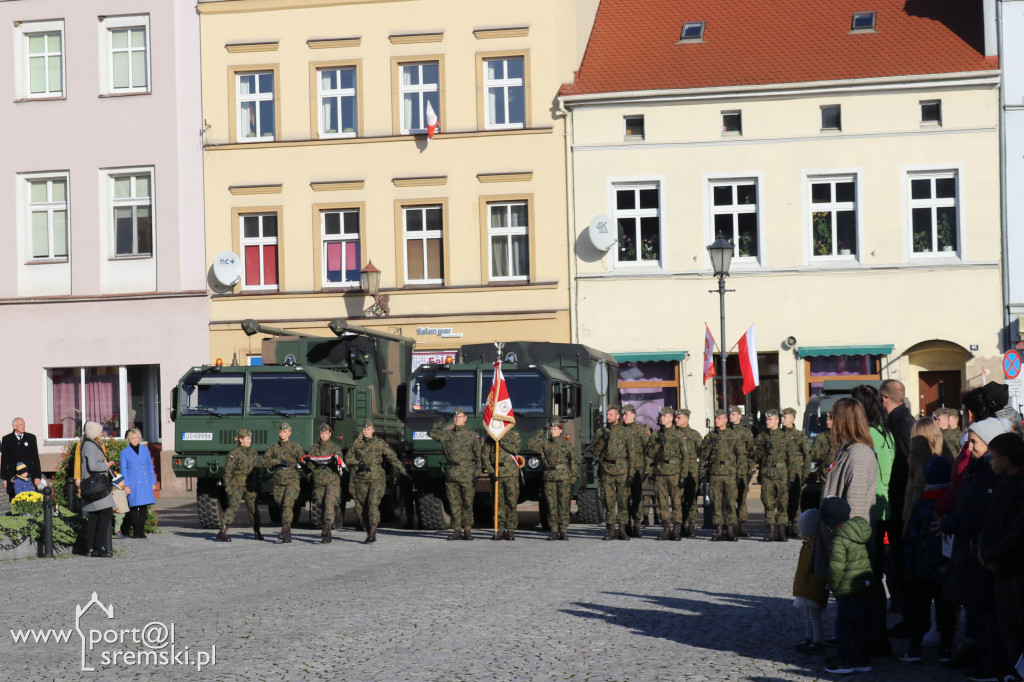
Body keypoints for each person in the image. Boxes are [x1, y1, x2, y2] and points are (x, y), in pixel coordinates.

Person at [937, 417, 1008, 681]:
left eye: (975, 441)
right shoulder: (977, 467)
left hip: (981, 546)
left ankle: (990, 663)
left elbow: (982, 512)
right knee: (974, 604)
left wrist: (951, 522)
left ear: (990, 443)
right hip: (968, 545)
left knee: (985, 608)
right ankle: (974, 653)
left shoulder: (991, 470)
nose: (969, 445)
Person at [812, 398, 878, 588]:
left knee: (852, 609)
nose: (827, 420)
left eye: (832, 416)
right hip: (838, 544)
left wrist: (843, 550)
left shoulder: (858, 454)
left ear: (843, 420)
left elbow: (855, 510)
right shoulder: (846, 450)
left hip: (849, 551)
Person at [851, 384, 895, 656]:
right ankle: (875, 634)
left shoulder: (869, 435)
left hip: (873, 510)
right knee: (875, 576)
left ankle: (875, 636)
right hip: (882, 508)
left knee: (870, 577)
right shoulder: (883, 431)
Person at [900, 456, 955, 664]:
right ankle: (946, 649)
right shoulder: (952, 501)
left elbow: (912, 538)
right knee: (946, 610)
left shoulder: (922, 504)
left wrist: (909, 565)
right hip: (946, 564)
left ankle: (914, 648)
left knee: (919, 609)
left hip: (923, 566)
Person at [978, 433, 1024, 681]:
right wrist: (983, 551)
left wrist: (990, 553)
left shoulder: (1019, 486)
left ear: (1005, 460)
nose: (989, 462)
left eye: (993, 457)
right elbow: (990, 520)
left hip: (1015, 565)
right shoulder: (1000, 483)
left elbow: (1017, 531)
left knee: (1018, 620)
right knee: (1007, 622)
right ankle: (1011, 666)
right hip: (998, 565)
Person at [822, 495, 874, 675]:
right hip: (863, 586)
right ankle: (862, 660)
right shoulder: (862, 530)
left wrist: (833, 586)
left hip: (846, 590)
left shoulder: (839, 539)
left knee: (843, 627)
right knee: (861, 625)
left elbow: (836, 568)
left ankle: (845, 661)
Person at [429, 408, 489, 541]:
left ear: (465, 418)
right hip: (451, 473)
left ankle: (467, 530)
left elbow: (478, 457)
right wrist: (443, 420)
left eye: (460, 417)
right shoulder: (447, 434)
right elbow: (431, 432)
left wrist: (477, 474)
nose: (457, 419)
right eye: (455, 417)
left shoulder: (471, 436)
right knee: (454, 503)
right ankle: (456, 530)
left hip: (467, 473)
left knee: (467, 503)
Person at [348, 420, 407, 544]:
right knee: (363, 508)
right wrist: (358, 463)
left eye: (368, 429)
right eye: (364, 430)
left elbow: (392, 457)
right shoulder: (357, 444)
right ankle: (369, 528)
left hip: (376, 479)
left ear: (373, 430)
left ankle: (372, 532)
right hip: (361, 479)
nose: (366, 432)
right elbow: (348, 458)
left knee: (373, 504)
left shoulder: (379, 444)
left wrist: (402, 470)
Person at [699, 408, 748, 541]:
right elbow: (703, 456)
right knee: (716, 504)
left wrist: (740, 475)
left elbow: (741, 456)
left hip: (730, 474)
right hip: (715, 475)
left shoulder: (733, 435)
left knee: (731, 503)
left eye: (719, 418)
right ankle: (719, 530)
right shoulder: (710, 436)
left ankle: (731, 530)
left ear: (725, 420)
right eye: (715, 418)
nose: (716, 420)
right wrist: (709, 446)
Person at [529, 418, 578, 540]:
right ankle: (554, 531)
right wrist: (541, 431)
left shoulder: (566, 444)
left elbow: (573, 461)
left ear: (560, 430)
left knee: (563, 505)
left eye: (555, 429)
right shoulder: (545, 443)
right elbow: (530, 444)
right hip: (549, 477)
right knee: (551, 505)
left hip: (563, 477)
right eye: (551, 429)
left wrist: (573, 477)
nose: (552, 432)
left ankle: (563, 530)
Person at [588, 405, 631, 541]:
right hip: (606, 470)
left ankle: (622, 529)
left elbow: (632, 454)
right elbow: (594, 452)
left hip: (622, 470)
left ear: (618, 416)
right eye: (607, 415)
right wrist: (602, 440)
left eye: (611, 414)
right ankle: (611, 529)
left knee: (623, 501)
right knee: (609, 501)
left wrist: (631, 473)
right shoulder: (601, 432)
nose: (608, 417)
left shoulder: (626, 432)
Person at [904, 418, 956, 526]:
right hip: (947, 517)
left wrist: (907, 521)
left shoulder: (917, 461)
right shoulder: (948, 458)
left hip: (922, 519)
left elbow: (913, 492)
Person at [646, 407, 686, 541]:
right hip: (660, 473)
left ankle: (676, 530)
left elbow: (685, 456)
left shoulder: (679, 434)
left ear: (670, 418)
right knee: (662, 504)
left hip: (674, 473)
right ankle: (666, 530)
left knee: (676, 503)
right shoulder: (656, 435)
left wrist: (684, 475)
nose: (661, 418)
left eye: (663, 416)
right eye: (660, 416)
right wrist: (658, 445)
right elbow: (650, 455)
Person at [793, 508, 828, 655]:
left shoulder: (816, 546)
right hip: (807, 586)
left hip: (813, 586)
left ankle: (817, 641)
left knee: (814, 616)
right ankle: (809, 637)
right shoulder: (808, 544)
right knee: (808, 615)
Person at [218, 428, 263, 542]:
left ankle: (257, 531)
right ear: (241, 440)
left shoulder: (253, 453)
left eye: (250, 438)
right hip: (237, 484)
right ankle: (223, 531)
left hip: (251, 485)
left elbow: (257, 471)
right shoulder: (234, 454)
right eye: (248, 438)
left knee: (253, 509)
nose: (250, 440)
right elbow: (228, 471)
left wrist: (259, 486)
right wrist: (228, 487)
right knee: (233, 507)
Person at [264, 421, 305, 543]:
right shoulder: (274, 447)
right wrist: (278, 461)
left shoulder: (295, 447)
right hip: (278, 481)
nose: (282, 434)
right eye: (281, 432)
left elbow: (303, 459)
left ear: (290, 433)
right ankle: (287, 534)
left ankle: (284, 529)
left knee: (288, 503)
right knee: (281, 505)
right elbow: (265, 461)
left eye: (285, 432)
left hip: (292, 479)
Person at [79, 421, 115, 557]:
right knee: (106, 512)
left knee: (94, 515)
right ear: (94, 433)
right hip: (96, 485)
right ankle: (99, 546)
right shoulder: (90, 445)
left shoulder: (88, 444)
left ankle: (90, 547)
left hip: (94, 485)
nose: (102, 433)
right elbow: (93, 466)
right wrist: (106, 465)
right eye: (99, 431)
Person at [305, 423, 345, 543]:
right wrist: (308, 461)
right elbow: (311, 465)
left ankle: (327, 526)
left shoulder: (335, 447)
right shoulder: (314, 448)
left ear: (329, 433)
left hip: (332, 480)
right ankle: (328, 535)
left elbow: (340, 462)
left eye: (326, 433)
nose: (323, 435)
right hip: (319, 481)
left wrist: (334, 460)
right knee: (321, 504)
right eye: (322, 433)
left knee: (329, 503)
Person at [483, 425, 522, 541]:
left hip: (511, 475)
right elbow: (485, 456)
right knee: (498, 503)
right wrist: (490, 472)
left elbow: (515, 450)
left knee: (511, 503)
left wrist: (501, 440)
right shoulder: (491, 438)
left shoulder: (514, 435)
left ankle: (510, 530)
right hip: (497, 474)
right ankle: (500, 530)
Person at [758, 409, 791, 542]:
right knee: (768, 502)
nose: (767, 422)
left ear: (777, 421)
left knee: (783, 503)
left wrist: (792, 475)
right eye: (766, 419)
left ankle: (782, 530)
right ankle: (771, 530)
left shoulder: (785, 436)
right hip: (767, 473)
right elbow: (755, 456)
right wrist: (763, 449)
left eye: (770, 419)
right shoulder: (762, 437)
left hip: (781, 473)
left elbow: (791, 457)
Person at [119, 428, 156, 540]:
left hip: (145, 481)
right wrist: (127, 486)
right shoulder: (124, 452)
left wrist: (153, 482)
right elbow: (124, 470)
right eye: (133, 438)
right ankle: (135, 531)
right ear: (129, 439)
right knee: (134, 507)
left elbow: (150, 466)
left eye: (137, 438)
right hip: (133, 483)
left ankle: (141, 530)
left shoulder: (145, 450)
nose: (135, 440)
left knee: (144, 507)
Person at [623, 404, 652, 537]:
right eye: (623, 414)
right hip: (623, 469)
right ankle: (626, 524)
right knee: (624, 498)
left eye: (626, 414)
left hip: (638, 470)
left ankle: (637, 524)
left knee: (637, 498)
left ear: (633, 415)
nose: (624, 417)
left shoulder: (640, 431)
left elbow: (648, 451)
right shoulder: (621, 430)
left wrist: (647, 469)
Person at [781, 407, 810, 537]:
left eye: (785, 417)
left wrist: (805, 473)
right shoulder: (779, 434)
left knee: (795, 500)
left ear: (792, 419)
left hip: (795, 472)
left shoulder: (799, 435)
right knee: (782, 500)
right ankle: (784, 524)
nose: (782, 419)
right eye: (782, 417)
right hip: (781, 472)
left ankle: (795, 524)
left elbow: (807, 455)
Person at [674, 409, 702, 538]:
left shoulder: (694, 435)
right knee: (678, 500)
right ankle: (680, 525)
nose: (676, 420)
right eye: (676, 417)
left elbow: (702, 454)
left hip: (692, 471)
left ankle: (691, 525)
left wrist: (701, 472)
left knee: (691, 500)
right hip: (676, 470)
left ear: (686, 419)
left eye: (679, 418)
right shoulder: (673, 434)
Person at [729, 406, 756, 537]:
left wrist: (750, 469)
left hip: (743, 471)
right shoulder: (726, 431)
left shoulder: (745, 433)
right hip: (729, 471)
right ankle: (731, 524)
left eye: (734, 414)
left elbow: (752, 452)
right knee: (729, 499)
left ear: (740, 416)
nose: (731, 416)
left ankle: (742, 525)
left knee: (742, 499)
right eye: (730, 414)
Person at [2, 418, 41, 501]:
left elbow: (35, 458)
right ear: (14, 426)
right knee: (14, 498)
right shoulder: (7, 439)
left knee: (31, 498)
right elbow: (4, 461)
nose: (23, 426)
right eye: (20, 424)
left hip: (29, 475)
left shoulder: (31, 438)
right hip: (13, 475)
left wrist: (38, 476)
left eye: (24, 424)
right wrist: (4, 478)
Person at [805, 412, 834, 510]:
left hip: (840, 477)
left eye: (830, 419)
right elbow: (813, 455)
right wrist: (825, 454)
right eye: (826, 419)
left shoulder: (844, 437)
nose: (827, 421)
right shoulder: (821, 437)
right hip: (825, 477)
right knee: (825, 505)